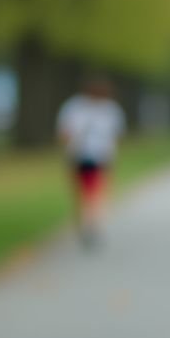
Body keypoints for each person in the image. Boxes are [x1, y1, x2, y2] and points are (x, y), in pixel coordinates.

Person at [56, 75, 126, 247]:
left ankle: (89, 225)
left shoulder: (76, 107)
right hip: (90, 156)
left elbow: (64, 133)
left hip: (91, 156)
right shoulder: (107, 109)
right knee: (92, 193)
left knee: (89, 193)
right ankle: (91, 224)